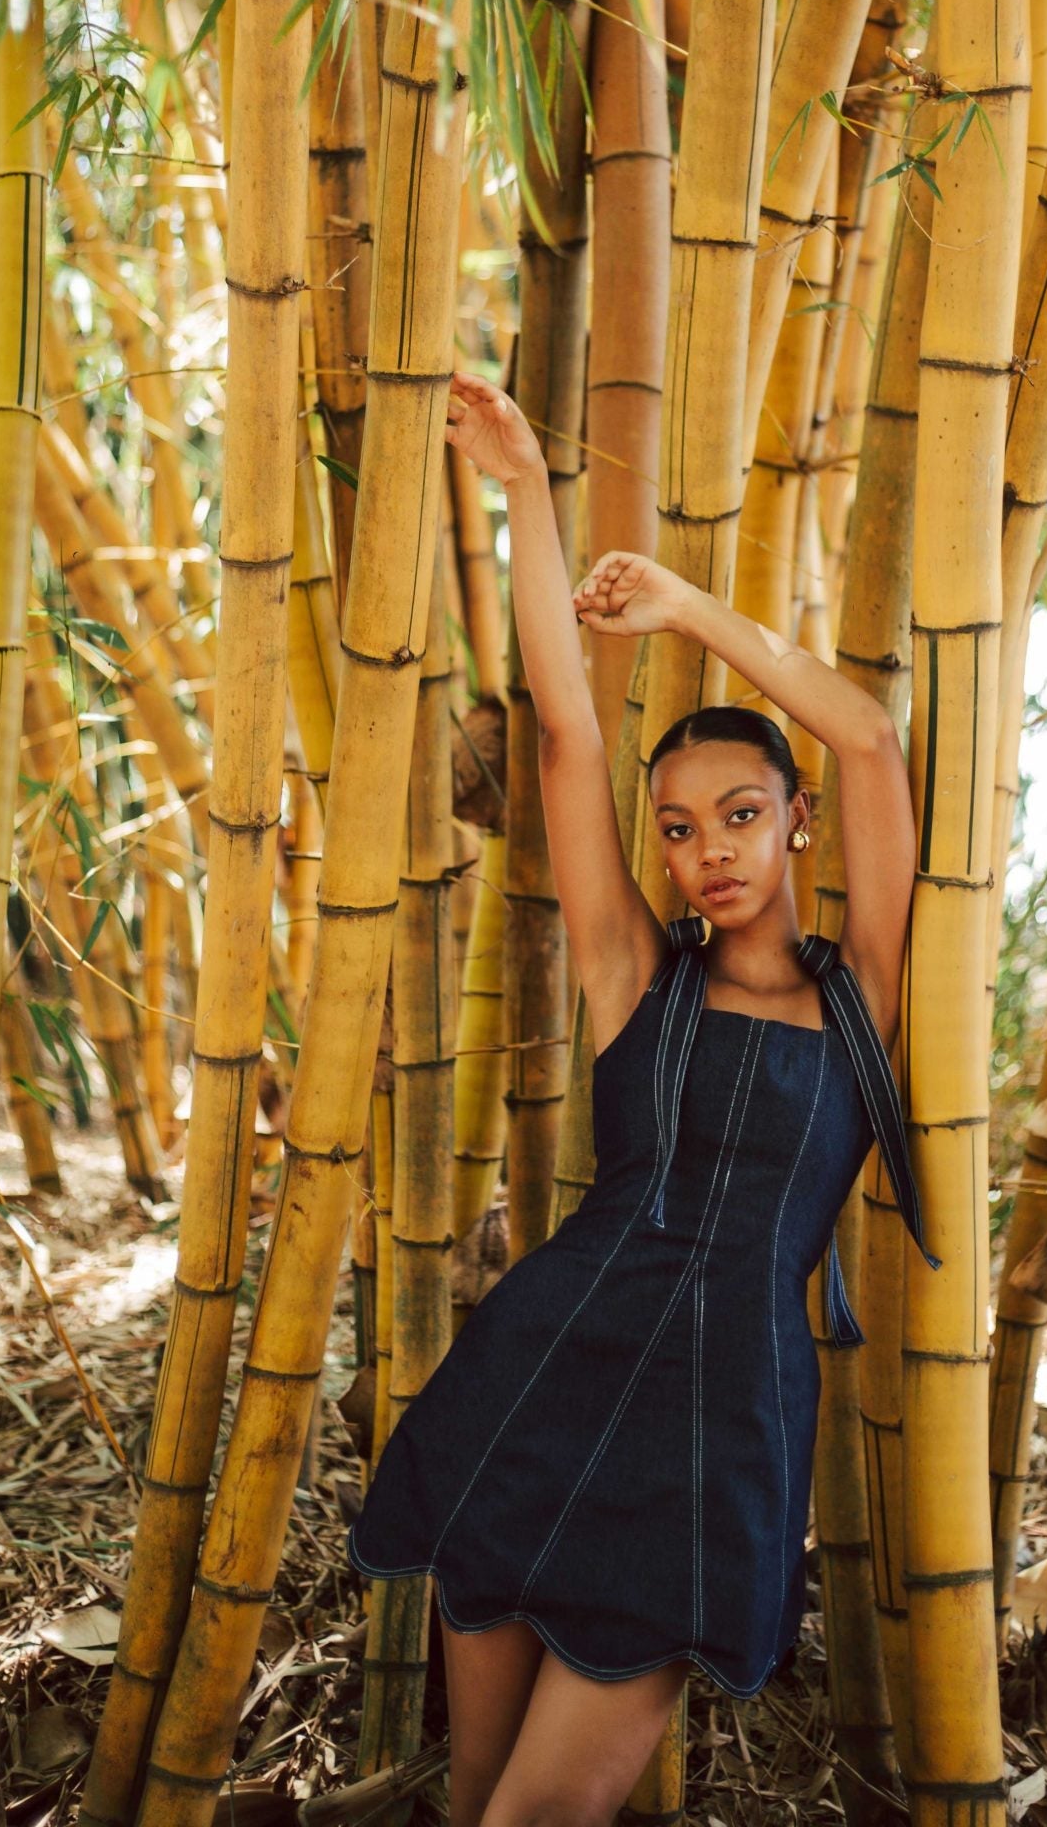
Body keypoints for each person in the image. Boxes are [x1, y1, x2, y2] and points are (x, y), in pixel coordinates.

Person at [345, 368, 932, 1827]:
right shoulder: (633, 979)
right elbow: (564, 734)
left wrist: (687, 612)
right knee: (475, 1794)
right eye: (678, 831)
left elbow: (867, 738)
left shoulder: (862, 991)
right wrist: (529, 495)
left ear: (794, 825)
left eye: (741, 816)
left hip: (719, 1423)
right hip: (544, 1375)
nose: (710, 851)